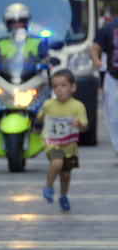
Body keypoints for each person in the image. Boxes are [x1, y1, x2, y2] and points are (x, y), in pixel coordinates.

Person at [0, 3, 46, 168]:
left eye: (21, 22)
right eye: (13, 22)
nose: (17, 25)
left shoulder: (37, 42)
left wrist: (48, 61)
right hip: (7, 82)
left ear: (27, 23)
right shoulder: (1, 43)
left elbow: (45, 56)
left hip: (29, 81)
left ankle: (59, 154)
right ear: (7, 24)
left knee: (53, 111)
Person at [37, 70, 88, 211]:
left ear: (73, 87)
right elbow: (40, 117)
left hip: (69, 146)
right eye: (55, 86)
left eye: (63, 85)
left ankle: (63, 196)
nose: (59, 89)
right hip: (51, 142)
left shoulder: (78, 106)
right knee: (57, 162)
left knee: (66, 174)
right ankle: (48, 187)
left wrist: (79, 124)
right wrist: (37, 127)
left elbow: (84, 127)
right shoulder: (48, 105)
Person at [88, 12, 118, 164]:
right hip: (113, 78)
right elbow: (94, 48)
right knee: (114, 116)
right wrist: (97, 61)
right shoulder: (109, 27)